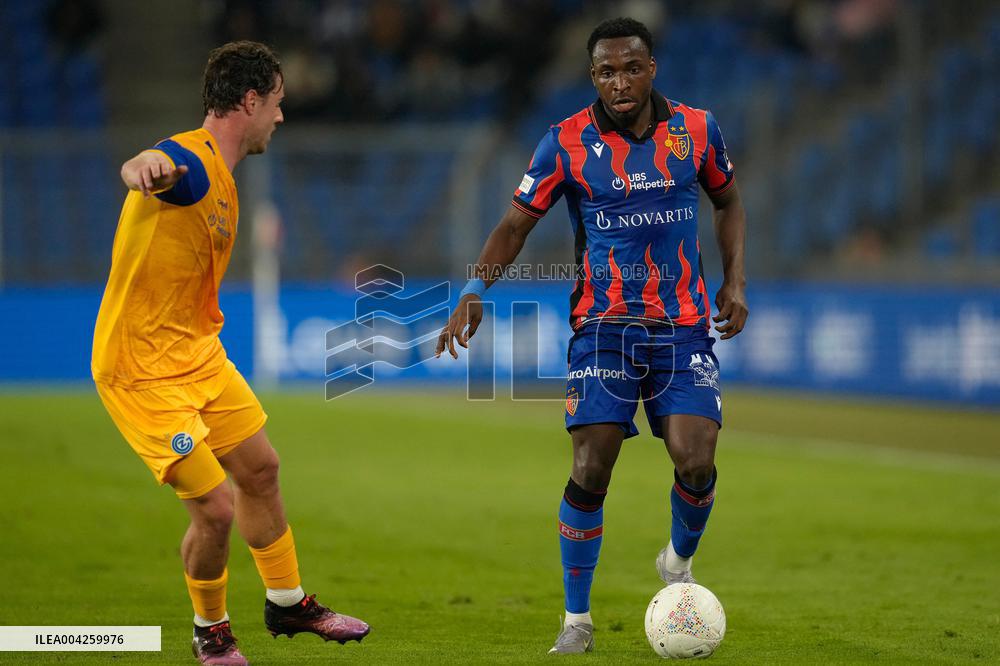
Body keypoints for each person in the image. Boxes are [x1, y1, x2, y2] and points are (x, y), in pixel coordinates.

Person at [436, 17, 748, 655]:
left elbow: (728, 201)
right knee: (591, 462)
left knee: (697, 460)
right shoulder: (565, 143)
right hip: (603, 328)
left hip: (682, 326)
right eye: (607, 72)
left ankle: (678, 563)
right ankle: (576, 620)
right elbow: (514, 227)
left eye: (632, 68)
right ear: (592, 76)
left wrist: (735, 281)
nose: (620, 82)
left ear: (652, 68)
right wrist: (473, 290)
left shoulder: (697, 129)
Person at [92, 41, 369, 665]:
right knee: (215, 509)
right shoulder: (190, 160)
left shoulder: (221, 174)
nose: (280, 116)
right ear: (250, 101)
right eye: (277, 103)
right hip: (141, 368)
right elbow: (155, 163)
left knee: (261, 469)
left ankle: (288, 602)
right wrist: (142, 166)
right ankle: (210, 631)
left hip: (197, 352)